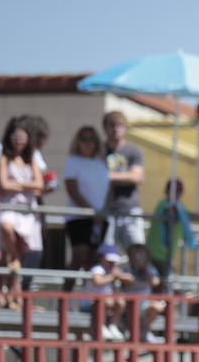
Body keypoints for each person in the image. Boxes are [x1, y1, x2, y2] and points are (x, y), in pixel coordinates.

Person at [0, 122, 43, 305]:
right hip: (9, 208)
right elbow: (3, 184)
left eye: (22, 137)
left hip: (26, 211)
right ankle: (4, 288)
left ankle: (12, 294)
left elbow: (39, 185)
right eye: (15, 137)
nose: (18, 141)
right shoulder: (4, 158)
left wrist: (17, 186)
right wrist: (27, 187)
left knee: (11, 254)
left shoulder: (31, 160)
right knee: (8, 240)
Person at [60, 125, 107, 291]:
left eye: (91, 140)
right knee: (79, 256)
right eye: (84, 139)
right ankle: (65, 297)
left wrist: (101, 214)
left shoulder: (102, 163)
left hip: (100, 219)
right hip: (78, 217)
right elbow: (72, 190)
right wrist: (90, 211)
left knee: (94, 260)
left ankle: (90, 301)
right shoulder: (72, 161)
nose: (88, 144)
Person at [147, 178, 199, 279]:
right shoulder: (166, 206)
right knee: (164, 284)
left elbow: (184, 216)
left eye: (178, 191)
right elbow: (183, 214)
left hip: (165, 255)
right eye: (174, 191)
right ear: (167, 191)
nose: (175, 194)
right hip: (156, 254)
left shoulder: (177, 208)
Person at [101, 111, 145, 249]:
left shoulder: (133, 151)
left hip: (130, 209)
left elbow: (138, 177)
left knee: (137, 251)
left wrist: (110, 176)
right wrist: (126, 176)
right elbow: (97, 178)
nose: (116, 129)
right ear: (105, 127)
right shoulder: (99, 151)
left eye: (120, 125)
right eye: (112, 125)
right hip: (106, 209)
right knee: (107, 254)